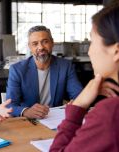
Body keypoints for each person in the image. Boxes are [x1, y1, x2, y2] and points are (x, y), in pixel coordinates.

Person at [50, 3, 119, 151]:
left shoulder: (111, 113)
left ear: (116, 51)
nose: (89, 52)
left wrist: (78, 105)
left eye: (92, 42)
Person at [6, 25, 83, 119]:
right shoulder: (17, 70)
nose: (41, 47)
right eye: (35, 44)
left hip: (55, 119)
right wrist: (26, 111)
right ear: (30, 47)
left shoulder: (65, 66)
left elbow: (78, 95)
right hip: (29, 121)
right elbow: (9, 105)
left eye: (45, 42)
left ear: (52, 43)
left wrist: (76, 102)